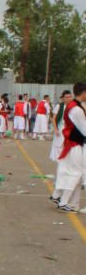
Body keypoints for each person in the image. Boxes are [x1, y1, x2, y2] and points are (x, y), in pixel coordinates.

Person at [54, 83, 86, 213]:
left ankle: (58, 196)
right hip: (74, 144)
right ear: (83, 92)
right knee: (75, 173)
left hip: (71, 143)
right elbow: (84, 129)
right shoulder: (76, 109)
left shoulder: (73, 106)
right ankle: (63, 201)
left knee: (67, 170)